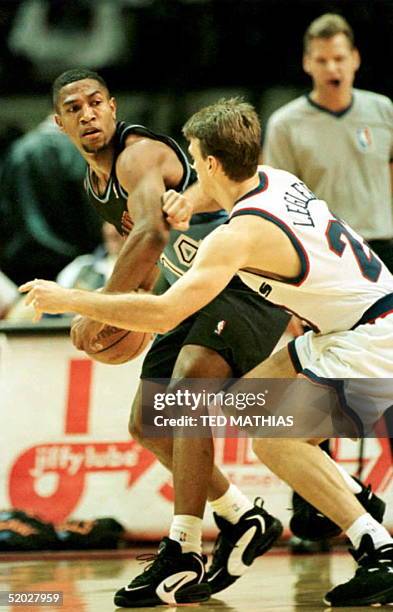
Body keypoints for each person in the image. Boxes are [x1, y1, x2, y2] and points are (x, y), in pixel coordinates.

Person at [20, 98, 393, 608]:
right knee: (247, 403)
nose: (191, 168)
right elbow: (207, 191)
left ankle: (377, 546)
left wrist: (70, 300)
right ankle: (352, 501)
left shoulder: (239, 235)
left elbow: (164, 314)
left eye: (195, 160)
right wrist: (188, 203)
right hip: (352, 321)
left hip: (371, 338)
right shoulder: (274, 179)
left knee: (271, 437)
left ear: (213, 163)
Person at [45, 69, 293, 607]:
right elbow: (156, 254)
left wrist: (100, 308)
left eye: (95, 102)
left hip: (246, 280)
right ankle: (243, 517)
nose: (87, 114)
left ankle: (181, 550)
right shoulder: (95, 183)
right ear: (59, 122)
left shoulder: (137, 155)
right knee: (147, 422)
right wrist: (136, 315)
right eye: (74, 107)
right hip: (191, 291)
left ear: (113, 107)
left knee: (186, 392)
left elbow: (152, 232)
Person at [263, 12, 393, 272]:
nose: (332, 68)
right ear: (307, 63)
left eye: (339, 59)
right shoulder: (285, 124)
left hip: (382, 245)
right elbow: (278, 198)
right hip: (324, 250)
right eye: (322, 60)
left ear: (355, 59)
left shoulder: (383, 110)